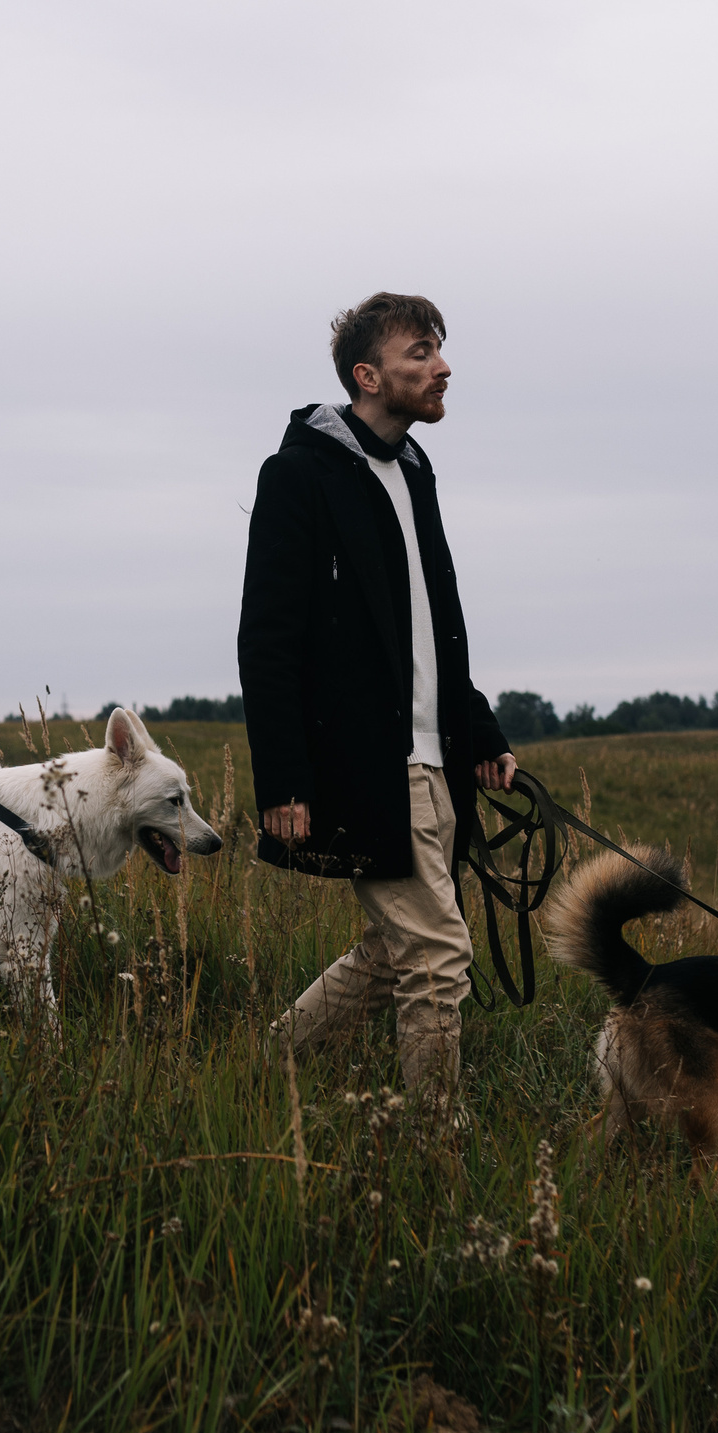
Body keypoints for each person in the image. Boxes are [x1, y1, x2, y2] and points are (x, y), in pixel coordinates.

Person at [237, 292, 515, 1109]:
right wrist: (284, 778)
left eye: (440, 350)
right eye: (421, 353)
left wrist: (480, 731)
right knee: (436, 955)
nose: (443, 367)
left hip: (435, 763)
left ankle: (270, 1066)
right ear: (368, 375)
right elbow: (268, 638)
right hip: (363, 765)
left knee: (399, 952)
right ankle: (435, 1147)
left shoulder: (415, 475)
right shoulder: (299, 476)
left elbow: (436, 630)